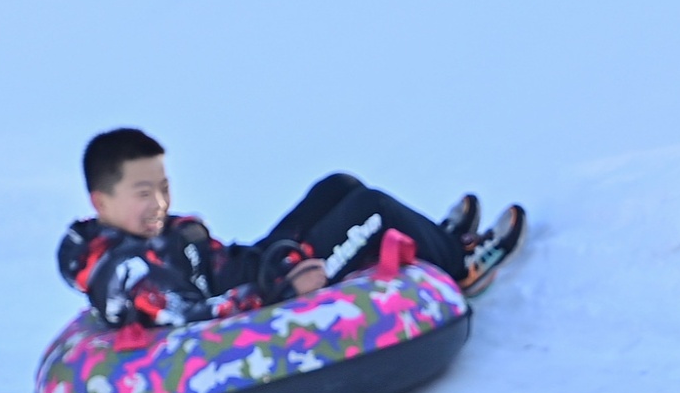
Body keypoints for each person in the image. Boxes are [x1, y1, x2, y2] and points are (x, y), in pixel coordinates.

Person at [58, 127, 526, 329]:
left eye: (164, 188)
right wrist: (282, 288)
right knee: (371, 210)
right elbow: (192, 318)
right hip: (269, 297)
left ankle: (436, 240)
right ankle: (459, 265)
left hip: (254, 268)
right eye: (144, 193)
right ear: (101, 202)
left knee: (339, 186)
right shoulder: (128, 271)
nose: (160, 203)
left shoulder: (140, 235)